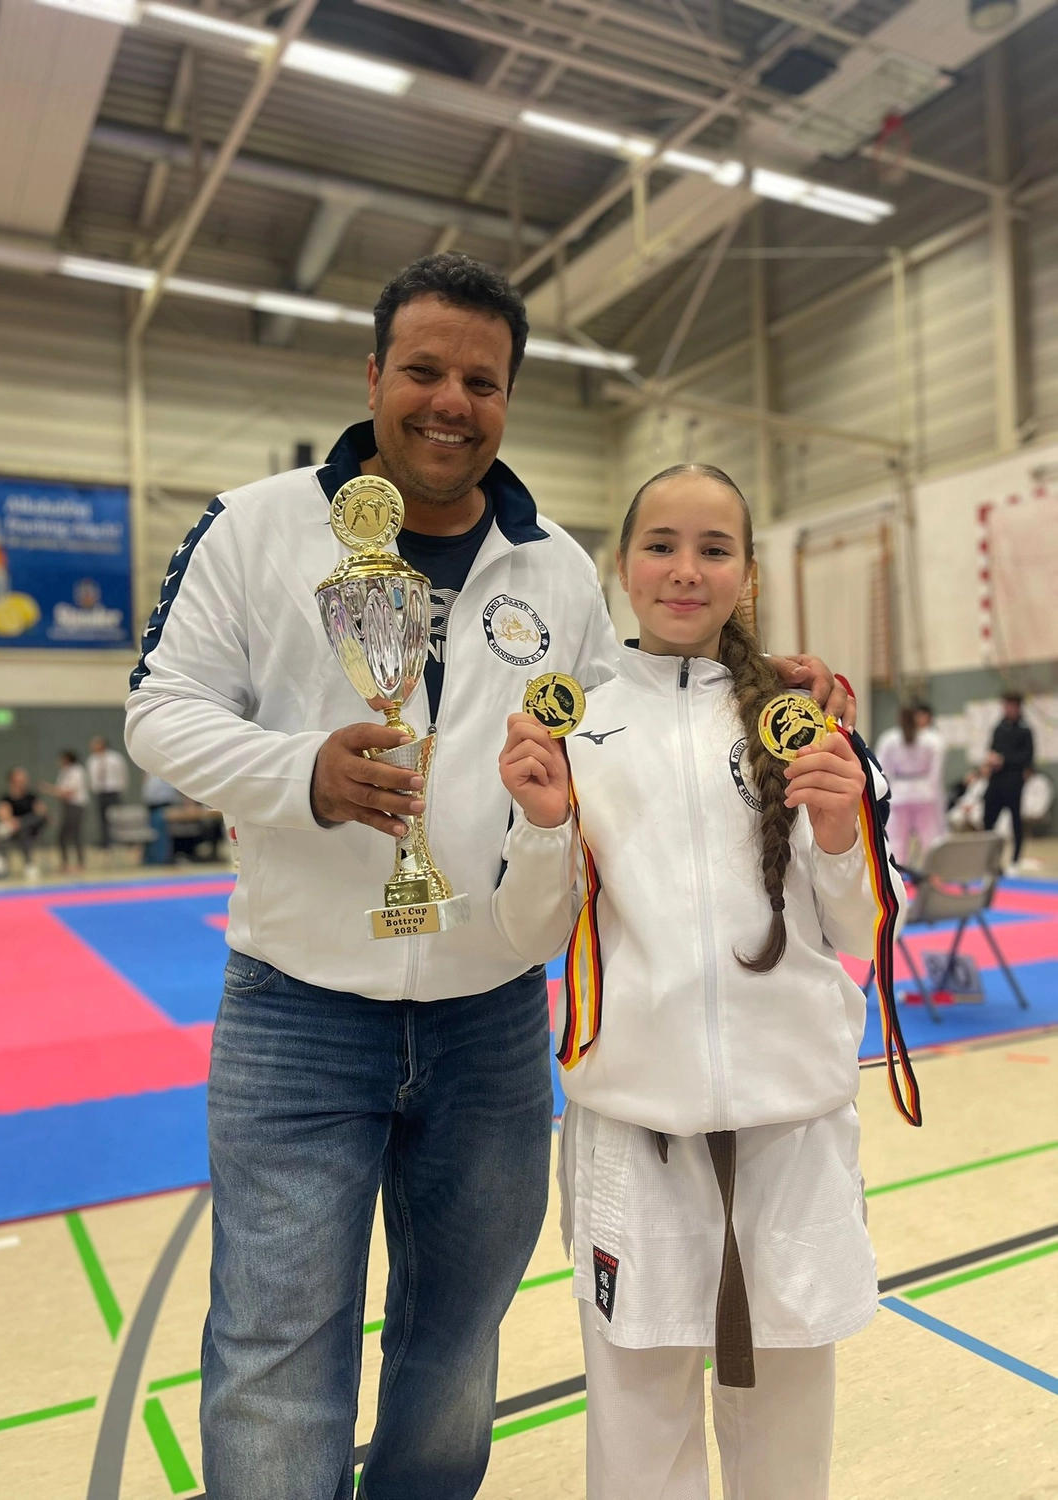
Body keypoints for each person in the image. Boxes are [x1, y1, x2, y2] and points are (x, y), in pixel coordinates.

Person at [125, 253, 848, 1500]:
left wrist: (750, 679)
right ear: (373, 375)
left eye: (482, 380)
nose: (450, 401)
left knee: (456, 1352)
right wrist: (299, 771)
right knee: (275, 1348)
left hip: (491, 1022)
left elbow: (622, 708)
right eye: (424, 370)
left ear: (507, 398)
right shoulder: (255, 527)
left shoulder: (555, 565)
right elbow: (159, 708)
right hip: (299, 1012)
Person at [494, 463, 903, 1500]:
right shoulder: (574, 725)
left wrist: (840, 827)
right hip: (636, 1137)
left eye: (714, 549)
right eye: (662, 545)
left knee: (787, 1450)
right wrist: (543, 826)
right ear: (622, 565)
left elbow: (863, 926)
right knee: (638, 1447)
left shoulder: (806, 724)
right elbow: (528, 934)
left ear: (747, 573)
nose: (686, 570)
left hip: (792, 1135)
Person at [874, 702, 945, 868]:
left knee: (897, 838)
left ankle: (898, 873)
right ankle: (936, 873)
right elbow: (936, 772)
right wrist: (933, 793)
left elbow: (882, 768)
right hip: (924, 792)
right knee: (930, 836)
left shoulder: (889, 739)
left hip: (898, 792)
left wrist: (886, 792)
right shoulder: (933, 739)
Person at [983, 692, 1034, 872]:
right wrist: (991, 760)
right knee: (988, 821)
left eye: (1011, 706)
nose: (1008, 709)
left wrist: (1005, 759)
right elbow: (993, 748)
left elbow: (1027, 758)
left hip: (1013, 782)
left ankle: (1015, 860)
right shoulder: (999, 728)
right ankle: (990, 860)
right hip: (996, 781)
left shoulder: (1025, 730)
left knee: (1015, 821)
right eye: (1006, 706)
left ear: (1018, 707)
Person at [0, 767, 49, 879]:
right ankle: (1, 865)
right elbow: (3, 813)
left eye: (24, 779)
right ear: (12, 781)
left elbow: (41, 812)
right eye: (19, 779)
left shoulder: (31, 797)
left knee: (27, 827)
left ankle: (29, 864)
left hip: (31, 830)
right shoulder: (6, 798)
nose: (23, 782)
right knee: (3, 833)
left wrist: (20, 822)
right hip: (13, 831)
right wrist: (12, 822)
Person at [42, 751, 89, 874]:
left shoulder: (78, 771)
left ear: (67, 759)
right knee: (62, 836)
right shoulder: (64, 772)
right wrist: (57, 792)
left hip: (76, 806)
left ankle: (80, 863)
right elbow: (61, 791)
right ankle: (65, 863)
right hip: (66, 806)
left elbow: (69, 792)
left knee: (75, 834)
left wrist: (49, 789)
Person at [86, 735, 129, 849]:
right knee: (102, 818)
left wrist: (121, 790)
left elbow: (123, 774)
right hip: (100, 792)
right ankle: (105, 842)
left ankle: (117, 841)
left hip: (113, 791)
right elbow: (91, 777)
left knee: (115, 818)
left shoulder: (115, 758)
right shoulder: (92, 760)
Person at [141, 771, 181, 864]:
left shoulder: (164, 773)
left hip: (164, 805)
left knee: (161, 833)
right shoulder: (149, 773)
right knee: (154, 834)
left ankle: (162, 858)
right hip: (152, 806)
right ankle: (152, 858)